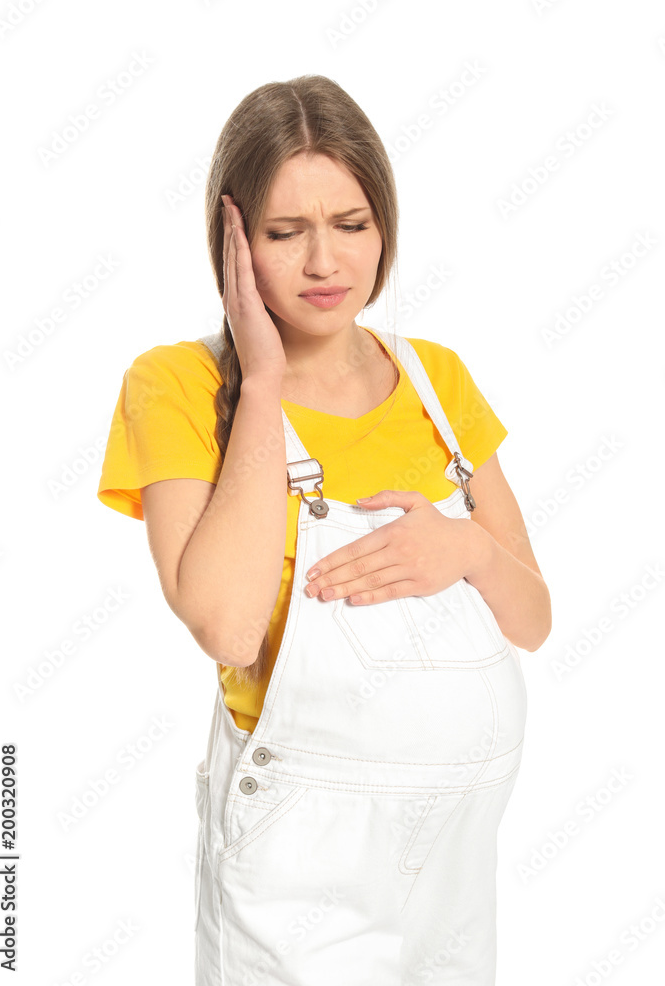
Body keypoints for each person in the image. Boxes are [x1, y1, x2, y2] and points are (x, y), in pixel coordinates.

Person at [97, 74, 551, 986]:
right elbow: (226, 627)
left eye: (350, 224)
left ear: (385, 226)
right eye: (283, 232)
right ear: (230, 242)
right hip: (296, 860)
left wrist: (464, 549)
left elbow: (531, 620)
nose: (323, 262)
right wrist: (262, 382)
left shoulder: (436, 379)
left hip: (454, 857)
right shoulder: (178, 385)